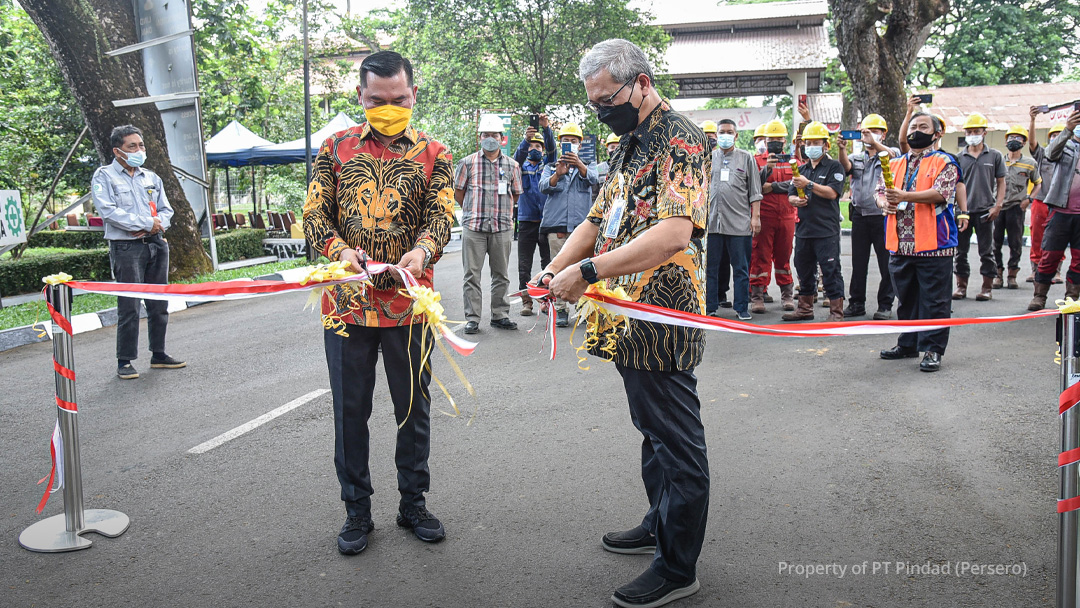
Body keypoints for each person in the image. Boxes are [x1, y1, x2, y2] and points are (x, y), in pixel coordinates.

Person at [535, 38, 709, 608]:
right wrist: (552, 271)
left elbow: (673, 234)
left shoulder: (680, 141)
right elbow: (596, 217)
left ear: (641, 82)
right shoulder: (628, 142)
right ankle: (659, 522)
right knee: (651, 427)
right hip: (623, 312)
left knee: (678, 442)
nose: (601, 111)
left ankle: (678, 566)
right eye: (593, 104)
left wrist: (584, 271)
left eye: (607, 99)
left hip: (663, 312)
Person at [302, 51, 456, 554]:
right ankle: (356, 511)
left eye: (399, 99)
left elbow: (441, 218)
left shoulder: (436, 153)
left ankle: (414, 503)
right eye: (377, 100)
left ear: (413, 95)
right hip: (347, 307)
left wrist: (423, 250)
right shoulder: (334, 149)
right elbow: (314, 218)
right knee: (350, 412)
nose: (389, 107)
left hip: (410, 305)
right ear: (361, 98)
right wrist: (341, 251)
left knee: (413, 408)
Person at [91, 124, 184, 380]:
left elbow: (167, 211)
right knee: (129, 305)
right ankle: (125, 360)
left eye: (141, 145)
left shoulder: (152, 177)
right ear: (117, 150)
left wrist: (156, 225)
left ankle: (159, 354)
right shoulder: (104, 177)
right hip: (126, 248)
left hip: (156, 244)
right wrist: (145, 224)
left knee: (158, 303)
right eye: (132, 146)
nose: (139, 150)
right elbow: (108, 211)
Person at [878, 112, 961, 372]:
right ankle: (908, 343)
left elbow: (941, 193)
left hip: (934, 244)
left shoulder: (945, 161)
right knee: (906, 298)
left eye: (923, 126)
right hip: (900, 243)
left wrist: (904, 195)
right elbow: (880, 191)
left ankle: (933, 349)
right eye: (913, 126)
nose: (916, 130)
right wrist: (884, 203)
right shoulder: (895, 162)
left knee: (935, 301)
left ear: (937, 134)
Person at [454, 113, 524, 334]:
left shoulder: (512, 166)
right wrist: (474, 210)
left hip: (501, 227)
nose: (490, 138)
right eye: (486, 134)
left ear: (502, 138)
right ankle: (472, 318)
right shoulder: (467, 163)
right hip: (473, 227)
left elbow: (516, 195)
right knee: (471, 275)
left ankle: (500, 315)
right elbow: (459, 193)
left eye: (494, 134)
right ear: (480, 137)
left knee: (501, 274)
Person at [784, 121, 847, 321]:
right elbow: (791, 195)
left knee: (830, 270)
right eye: (808, 143)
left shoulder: (834, 167)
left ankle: (836, 312)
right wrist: (795, 200)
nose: (810, 146)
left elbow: (832, 193)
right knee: (803, 268)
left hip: (825, 230)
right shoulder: (801, 169)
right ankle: (804, 309)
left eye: (815, 142)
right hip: (804, 230)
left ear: (826, 145)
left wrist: (809, 184)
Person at [837, 113, 898, 319]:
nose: (870, 135)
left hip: (882, 216)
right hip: (861, 216)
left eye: (875, 131)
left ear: (883, 134)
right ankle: (856, 303)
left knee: (886, 262)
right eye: (866, 131)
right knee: (859, 263)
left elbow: (893, 156)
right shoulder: (857, 157)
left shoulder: (890, 152)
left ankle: (885, 304)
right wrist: (842, 149)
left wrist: (874, 143)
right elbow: (846, 168)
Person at [539, 122, 599, 327]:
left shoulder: (589, 164)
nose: (570, 145)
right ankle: (560, 310)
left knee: (584, 269)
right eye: (566, 141)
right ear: (560, 143)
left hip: (581, 230)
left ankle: (584, 308)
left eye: (574, 142)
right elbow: (543, 186)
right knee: (557, 267)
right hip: (557, 227)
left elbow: (593, 179)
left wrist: (579, 165)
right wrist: (559, 174)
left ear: (580, 145)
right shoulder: (550, 166)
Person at [706, 119, 762, 320]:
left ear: (736, 135)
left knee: (740, 268)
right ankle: (710, 307)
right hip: (712, 223)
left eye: (729, 132)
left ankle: (741, 307)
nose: (725, 135)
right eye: (722, 132)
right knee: (710, 269)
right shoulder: (708, 158)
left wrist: (755, 217)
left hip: (739, 224)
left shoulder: (746, 158)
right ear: (716, 134)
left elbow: (755, 192)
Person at [1029, 109, 1080, 310]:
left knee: (1079, 260)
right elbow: (1049, 154)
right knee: (1049, 256)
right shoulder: (1066, 145)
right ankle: (1039, 297)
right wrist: (1067, 129)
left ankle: (1072, 299)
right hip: (1061, 212)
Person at [954, 112, 1006, 301]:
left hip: (986, 210)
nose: (972, 134)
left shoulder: (994, 156)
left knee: (986, 251)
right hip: (963, 212)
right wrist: (959, 210)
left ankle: (987, 288)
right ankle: (961, 287)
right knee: (960, 252)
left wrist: (998, 205)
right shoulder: (959, 157)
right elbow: (955, 186)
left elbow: (1001, 182)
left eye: (976, 130)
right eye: (969, 131)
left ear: (984, 132)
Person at [751, 119, 798, 313]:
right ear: (765, 140)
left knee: (783, 256)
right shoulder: (756, 161)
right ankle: (757, 296)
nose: (775, 142)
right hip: (765, 215)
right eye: (771, 139)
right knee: (760, 256)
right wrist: (767, 170)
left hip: (787, 215)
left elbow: (797, 183)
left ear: (785, 141)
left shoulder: (793, 160)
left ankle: (787, 295)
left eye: (779, 138)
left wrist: (773, 187)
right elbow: (755, 186)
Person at [513, 117, 556, 316]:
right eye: (532, 145)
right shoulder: (519, 167)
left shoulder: (547, 166)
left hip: (546, 222)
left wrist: (546, 129)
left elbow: (553, 151)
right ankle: (526, 302)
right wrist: (525, 140)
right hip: (526, 222)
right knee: (524, 266)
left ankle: (545, 300)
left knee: (548, 265)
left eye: (539, 146)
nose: (535, 149)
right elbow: (517, 157)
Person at [994, 125, 1041, 290]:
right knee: (995, 242)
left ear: (1024, 142)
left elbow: (1038, 184)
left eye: (1018, 138)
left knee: (1015, 242)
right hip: (997, 207)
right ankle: (997, 274)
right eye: (1011, 138)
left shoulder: (1030, 163)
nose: (1014, 141)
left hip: (1016, 207)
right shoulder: (998, 160)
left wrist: (1029, 199)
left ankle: (1012, 275)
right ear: (1006, 141)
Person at [1029, 106, 1067, 284]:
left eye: (1060, 135)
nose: (1056, 139)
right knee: (1037, 235)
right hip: (1041, 201)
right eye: (1053, 135)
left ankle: (1057, 271)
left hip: (1060, 204)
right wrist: (1033, 120)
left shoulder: (1070, 156)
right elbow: (1031, 144)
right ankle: (1035, 270)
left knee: (1058, 237)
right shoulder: (1042, 154)